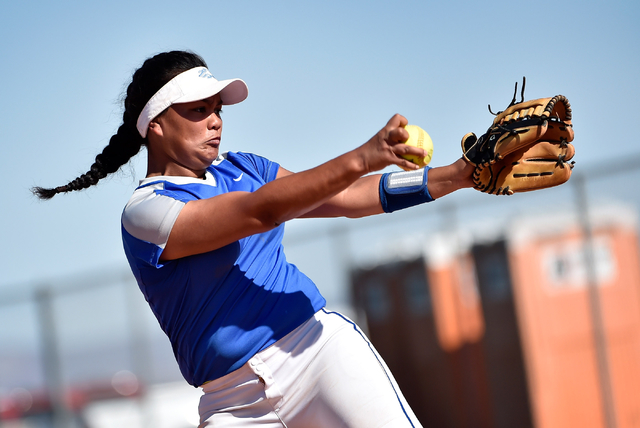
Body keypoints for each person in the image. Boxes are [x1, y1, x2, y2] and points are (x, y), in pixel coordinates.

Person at [33, 50, 475, 427]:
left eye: (217, 109)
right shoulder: (146, 212)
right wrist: (362, 156)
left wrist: (458, 176)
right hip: (232, 402)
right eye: (197, 110)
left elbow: (343, 197)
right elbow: (259, 211)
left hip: (317, 351)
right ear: (156, 126)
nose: (214, 122)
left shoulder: (245, 168)